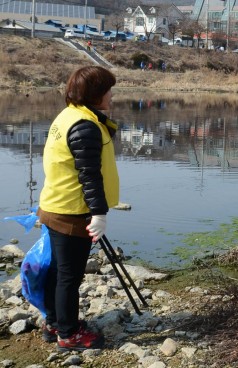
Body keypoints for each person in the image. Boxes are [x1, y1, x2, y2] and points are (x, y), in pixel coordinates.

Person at [37, 66, 119, 351]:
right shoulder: (84, 126)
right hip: (71, 211)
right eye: (108, 89)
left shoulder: (70, 114)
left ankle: (55, 322)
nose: (111, 94)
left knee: (59, 271)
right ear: (97, 94)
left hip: (55, 205)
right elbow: (89, 175)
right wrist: (99, 214)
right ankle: (68, 334)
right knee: (69, 277)